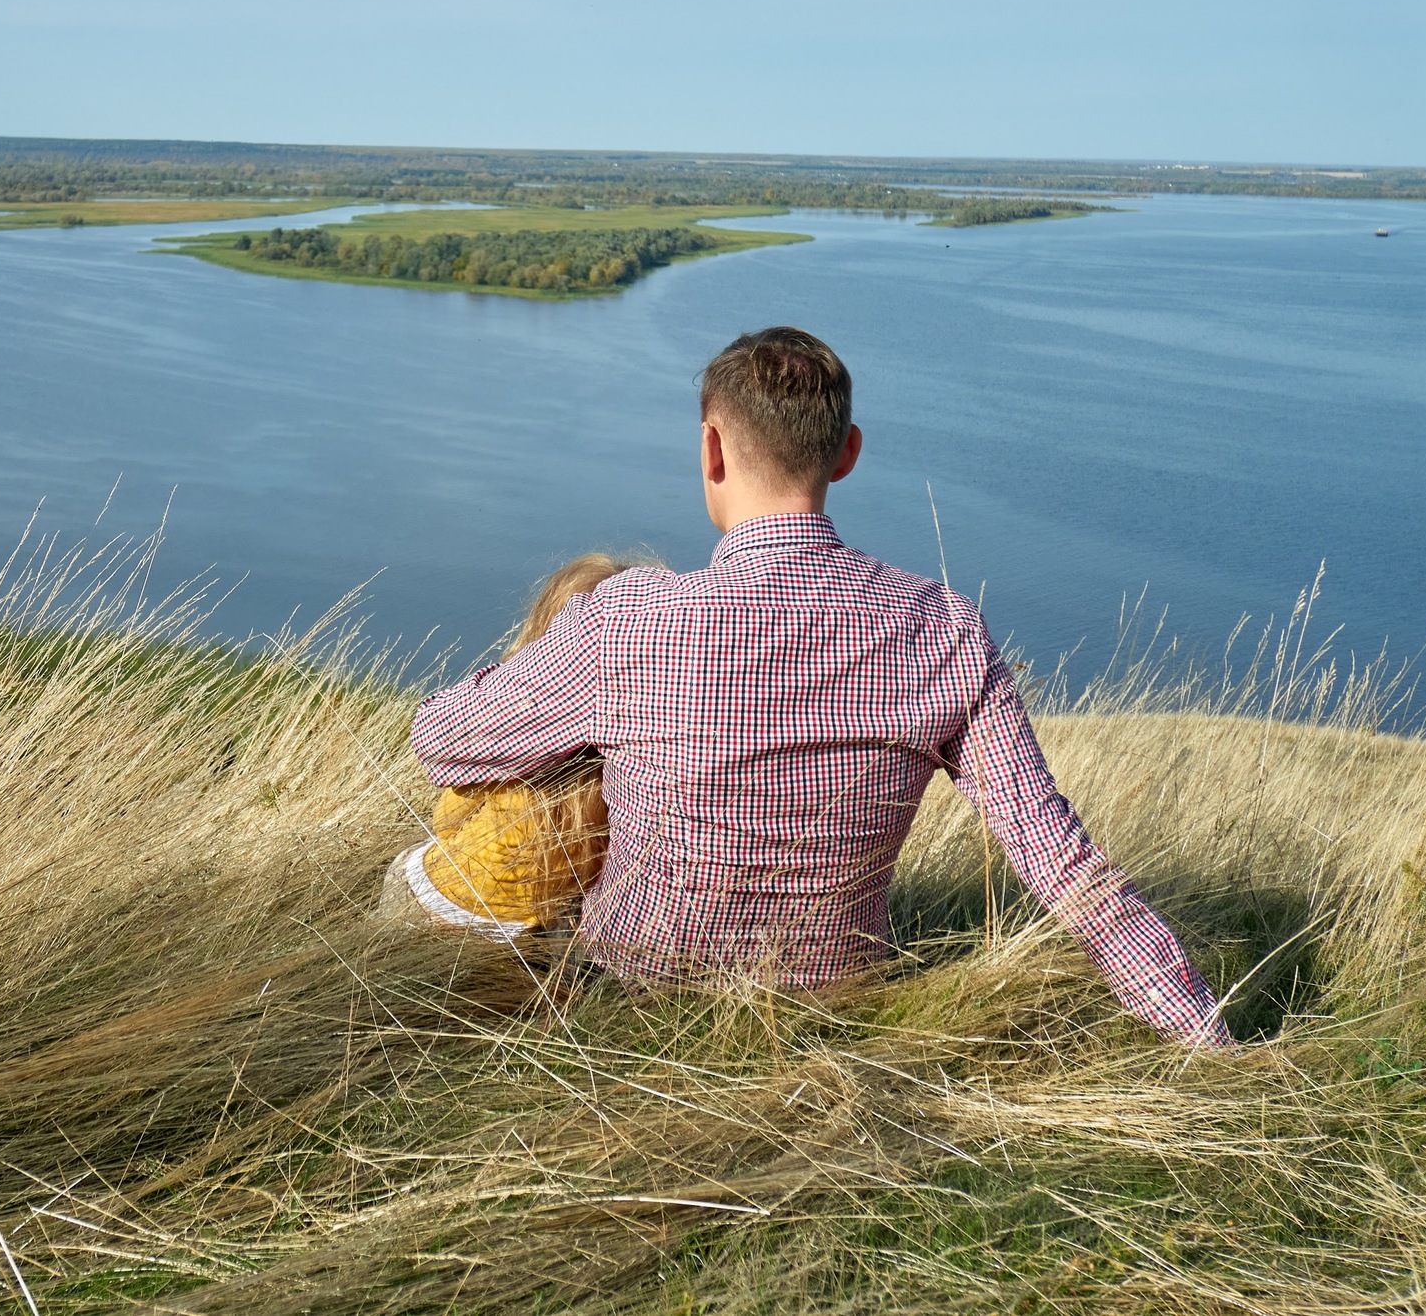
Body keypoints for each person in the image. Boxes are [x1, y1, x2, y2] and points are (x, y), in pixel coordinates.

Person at [409, 327, 1231, 1046]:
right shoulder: (939, 628)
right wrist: (1204, 1037)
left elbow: (443, 742)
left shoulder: (627, 620)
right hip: (835, 1011)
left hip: (632, 1002)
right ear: (846, 452)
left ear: (712, 450)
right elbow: (1059, 861)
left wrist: (557, 665)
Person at [380, 554, 630, 942]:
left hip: (458, 901)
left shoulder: (508, 729)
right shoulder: (638, 747)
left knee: (404, 865)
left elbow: (447, 819)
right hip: (556, 923)